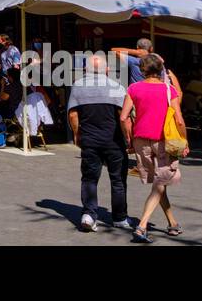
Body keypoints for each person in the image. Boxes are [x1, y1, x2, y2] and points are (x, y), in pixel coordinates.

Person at [122, 54, 188, 243]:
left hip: (141, 141)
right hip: (163, 140)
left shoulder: (133, 88)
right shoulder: (169, 90)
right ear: (160, 70)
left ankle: (173, 223)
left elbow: (123, 117)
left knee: (160, 183)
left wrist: (129, 138)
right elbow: (179, 119)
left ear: (142, 70)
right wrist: (185, 141)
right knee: (160, 183)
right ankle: (142, 226)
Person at [68, 53, 134, 232]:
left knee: (89, 178)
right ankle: (120, 218)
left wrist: (77, 134)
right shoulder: (117, 86)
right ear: (106, 69)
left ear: (85, 70)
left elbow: (73, 114)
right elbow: (124, 117)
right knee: (118, 180)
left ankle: (89, 215)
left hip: (90, 140)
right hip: (114, 141)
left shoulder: (78, 86)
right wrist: (129, 138)